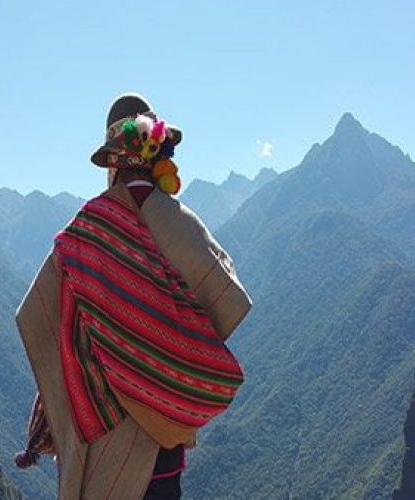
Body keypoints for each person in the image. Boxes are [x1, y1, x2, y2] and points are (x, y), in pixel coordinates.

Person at [13, 93, 251, 499]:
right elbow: (229, 297)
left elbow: (39, 317)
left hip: (103, 441)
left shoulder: (82, 233)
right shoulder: (180, 224)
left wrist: (111, 353)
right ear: (158, 154)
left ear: (114, 161)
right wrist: (166, 355)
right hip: (165, 448)